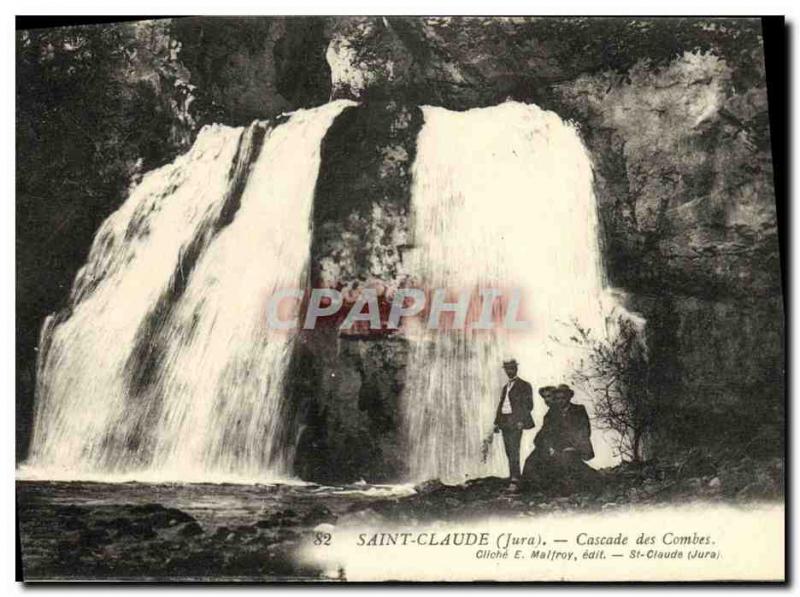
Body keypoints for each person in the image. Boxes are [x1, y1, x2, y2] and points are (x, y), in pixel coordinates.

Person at [521, 383, 599, 494]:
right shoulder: (552, 414)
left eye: (563, 398)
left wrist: (571, 446)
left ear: (569, 397)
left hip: (575, 447)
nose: (560, 401)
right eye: (557, 398)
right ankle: (531, 490)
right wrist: (549, 447)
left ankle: (590, 480)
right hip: (555, 447)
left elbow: (584, 431)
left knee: (566, 461)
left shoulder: (579, 410)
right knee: (531, 460)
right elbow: (544, 434)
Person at [493, 358, 534, 488]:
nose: (509, 371)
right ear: (505, 370)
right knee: (508, 450)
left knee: (514, 449)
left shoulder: (524, 385)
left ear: (516, 369)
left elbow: (528, 405)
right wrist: (496, 423)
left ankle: (515, 479)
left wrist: (521, 420)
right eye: (507, 369)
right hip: (504, 421)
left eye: (511, 368)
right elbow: (501, 405)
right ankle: (513, 476)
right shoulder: (505, 387)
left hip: (515, 421)